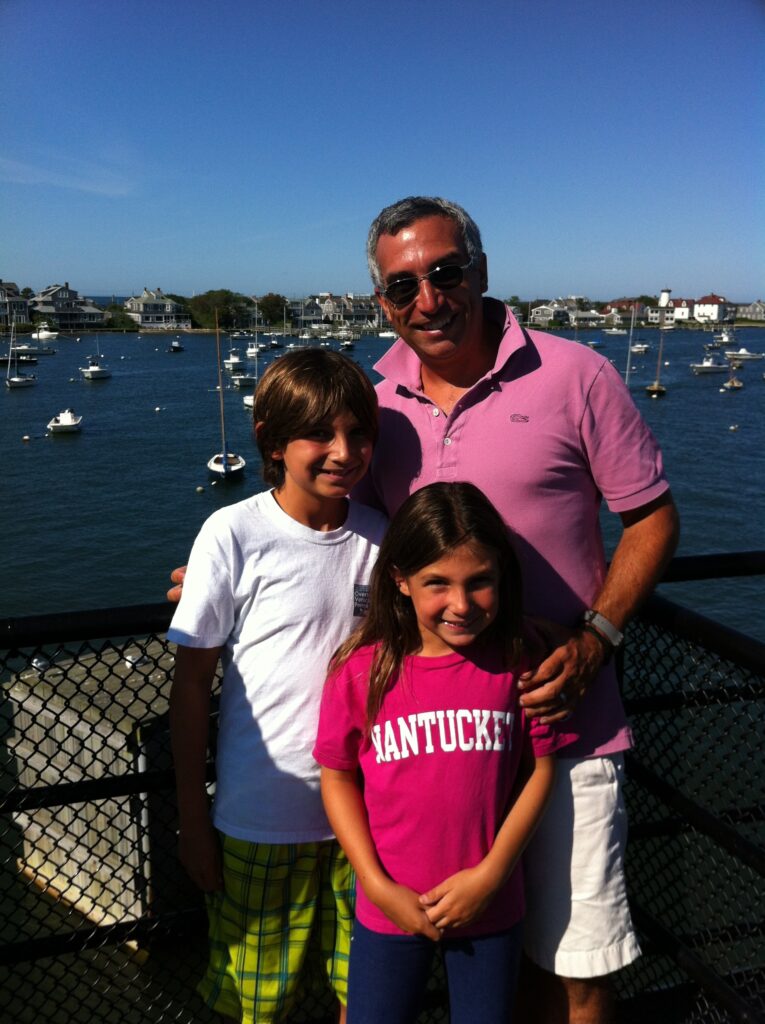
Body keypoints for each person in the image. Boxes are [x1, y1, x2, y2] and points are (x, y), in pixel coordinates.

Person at [353, 195, 680, 1024]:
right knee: (489, 972)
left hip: (565, 720)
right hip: (438, 745)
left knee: (574, 970)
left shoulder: (576, 374)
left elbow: (651, 518)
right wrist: (233, 564)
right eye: (402, 286)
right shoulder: (376, 403)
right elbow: (339, 526)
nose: (428, 299)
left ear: (480, 270)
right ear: (381, 301)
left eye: (445, 272)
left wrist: (595, 639)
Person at [167, 349, 388, 1024]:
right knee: (255, 1000)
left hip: (367, 816)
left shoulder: (383, 539)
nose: (343, 451)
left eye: (358, 432)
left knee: (365, 990)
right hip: (259, 816)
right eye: (319, 433)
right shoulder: (232, 533)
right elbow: (190, 687)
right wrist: (193, 819)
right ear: (271, 440)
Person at [314, 482, 576, 1024]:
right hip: (390, 906)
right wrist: (378, 886)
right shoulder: (360, 672)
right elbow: (336, 777)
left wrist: (492, 875)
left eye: (479, 581)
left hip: (490, 904)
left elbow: (540, 771)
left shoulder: (519, 662)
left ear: (502, 576)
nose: (461, 604)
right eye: (438, 583)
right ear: (400, 580)